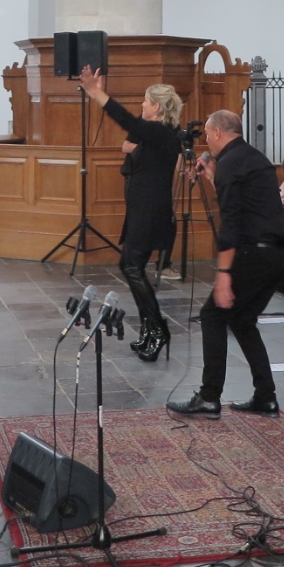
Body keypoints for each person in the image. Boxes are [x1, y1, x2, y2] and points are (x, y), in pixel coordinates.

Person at [171, 110, 284, 419]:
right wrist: (215, 176)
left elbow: (231, 224)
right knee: (241, 319)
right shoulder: (253, 158)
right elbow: (244, 201)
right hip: (279, 253)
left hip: (255, 254)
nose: (207, 141)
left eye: (209, 136)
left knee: (212, 316)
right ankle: (265, 397)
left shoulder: (229, 164)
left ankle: (209, 398)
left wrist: (224, 274)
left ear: (217, 133)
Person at [77, 65, 182, 361]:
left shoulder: (163, 134)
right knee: (129, 266)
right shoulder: (154, 134)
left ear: (157, 107)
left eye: (146, 102)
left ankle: (158, 328)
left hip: (150, 212)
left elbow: (126, 121)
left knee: (132, 267)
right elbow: (134, 126)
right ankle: (151, 326)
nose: (142, 106)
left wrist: (97, 93)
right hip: (141, 210)